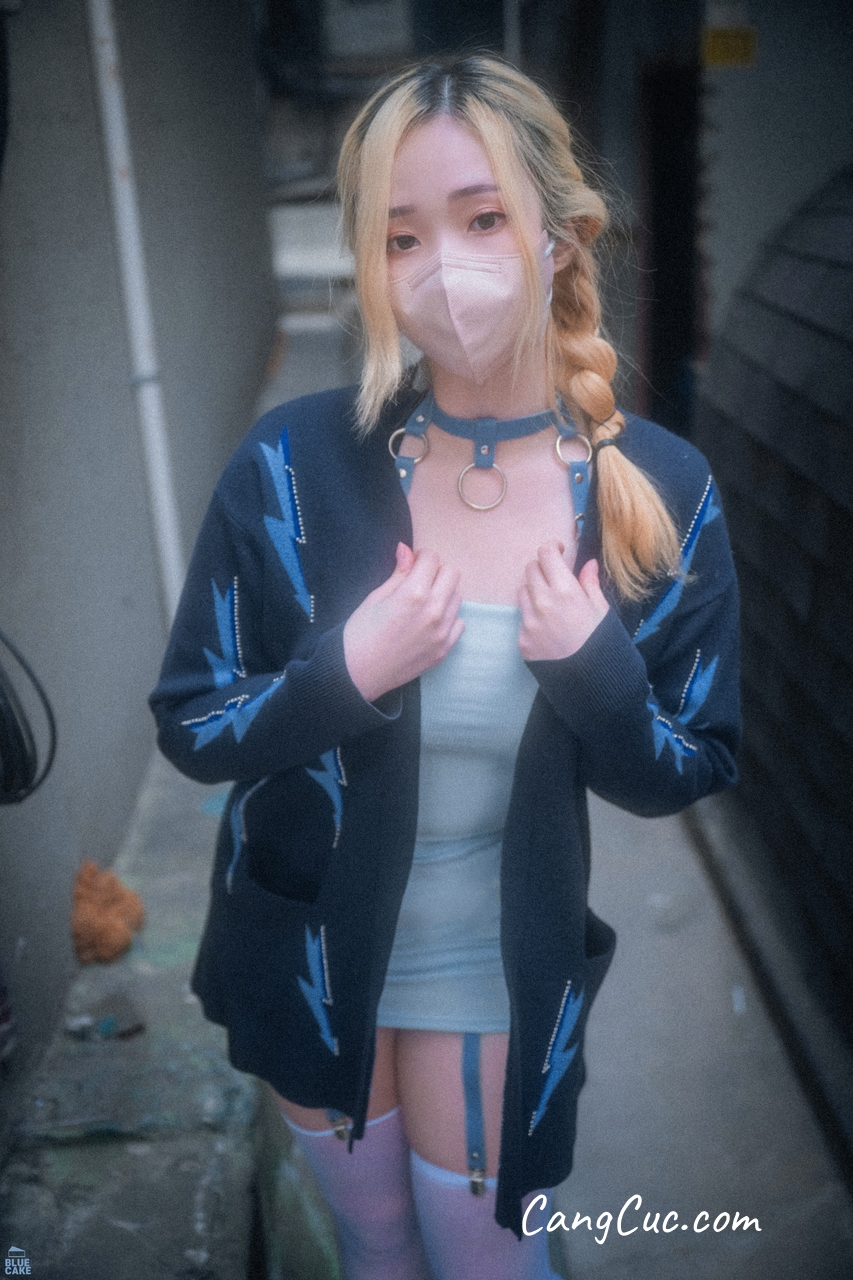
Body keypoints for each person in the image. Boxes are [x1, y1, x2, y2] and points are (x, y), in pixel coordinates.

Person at [149, 55, 740, 1280]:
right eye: (401, 236)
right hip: (308, 944)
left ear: (558, 239)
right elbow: (194, 722)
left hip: (493, 959)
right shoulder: (288, 466)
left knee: (485, 1261)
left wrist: (597, 672)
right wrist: (342, 672)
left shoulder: (661, 490)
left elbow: (688, 763)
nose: (443, 269)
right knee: (371, 1247)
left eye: (481, 219)